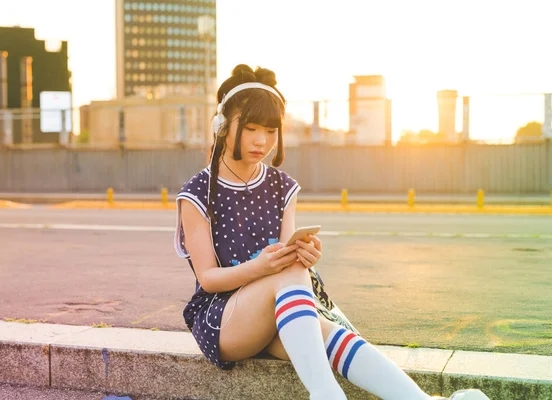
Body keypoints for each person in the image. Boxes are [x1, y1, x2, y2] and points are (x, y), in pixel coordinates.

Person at [174, 64, 489, 400]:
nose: (261, 140)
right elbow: (207, 278)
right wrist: (265, 267)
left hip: (277, 309)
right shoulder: (198, 193)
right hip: (222, 320)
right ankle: (325, 394)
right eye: (251, 128)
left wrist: (305, 256)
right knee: (290, 273)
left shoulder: (282, 187)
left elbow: (284, 262)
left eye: (270, 130)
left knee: (324, 329)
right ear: (222, 126)